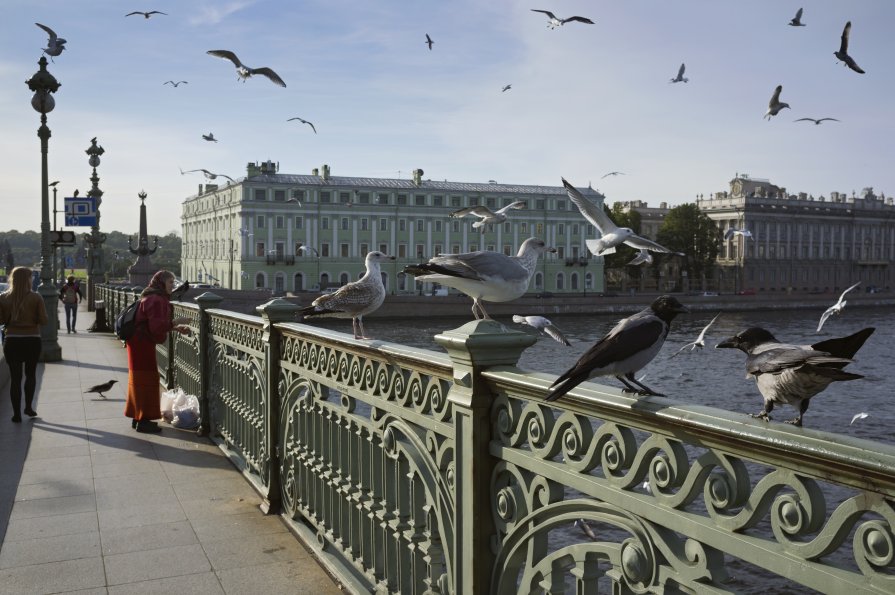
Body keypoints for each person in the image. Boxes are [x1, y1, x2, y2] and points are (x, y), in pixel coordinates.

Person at [125, 270, 190, 433]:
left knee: (138, 379)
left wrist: (175, 328)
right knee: (147, 380)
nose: (173, 286)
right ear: (161, 283)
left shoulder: (149, 296)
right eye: (170, 282)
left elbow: (150, 324)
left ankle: (138, 417)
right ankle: (144, 421)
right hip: (142, 344)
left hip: (137, 342)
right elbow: (157, 327)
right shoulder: (156, 300)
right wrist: (177, 321)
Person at [0, 267, 49, 422]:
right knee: (30, 374)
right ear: (27, 279)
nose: (32, 280)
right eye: (31, 277)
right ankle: (28, 407)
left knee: (15, 378)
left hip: (12, 341)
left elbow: (1, 321)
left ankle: (16, 414)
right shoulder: (36, 297)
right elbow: (44, 320)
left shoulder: (3, 297)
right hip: (32, 340)